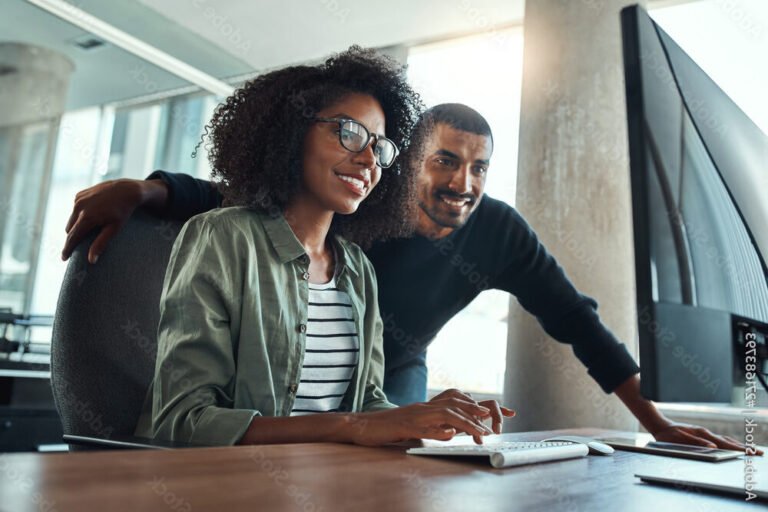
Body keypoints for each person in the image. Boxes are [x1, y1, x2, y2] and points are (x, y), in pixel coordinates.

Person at [66, 100, 750, 452]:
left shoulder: (500, 233)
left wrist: (654, 423)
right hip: (290, 370)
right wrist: (147, 189)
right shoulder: (363, 202)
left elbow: (578, 322)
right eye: (445, 161)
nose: (463, 182)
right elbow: (242, 199)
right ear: (407, 163)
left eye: (479, 167)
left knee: (407, 460)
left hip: (391, 372)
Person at [131, 47, 513, 447]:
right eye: (349, 133)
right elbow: (182, 422)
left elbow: (366, 407)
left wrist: (429, 417)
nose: (368, 159)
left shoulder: (358, 268)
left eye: (380, 148)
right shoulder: (223, 238)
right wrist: (346, 426)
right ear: (293, 132)